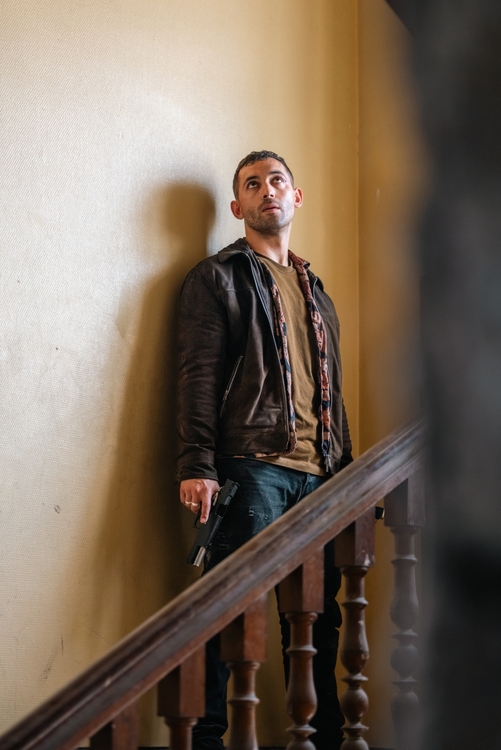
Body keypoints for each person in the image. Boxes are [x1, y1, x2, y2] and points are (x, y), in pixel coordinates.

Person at [176, 150, 353, 750]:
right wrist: (197, 463)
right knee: (230, 611)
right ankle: (205, 738)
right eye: (252, 185)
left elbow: (332, 394)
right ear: (237, 207)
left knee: (317, 622)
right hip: (252, 469)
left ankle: (324, 738)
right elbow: (198, 377)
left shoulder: (316, 292)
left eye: (277, 181)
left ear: (296, 197)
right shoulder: (218, 277)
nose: (267, 191)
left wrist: (346, 477)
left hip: (320, 478)